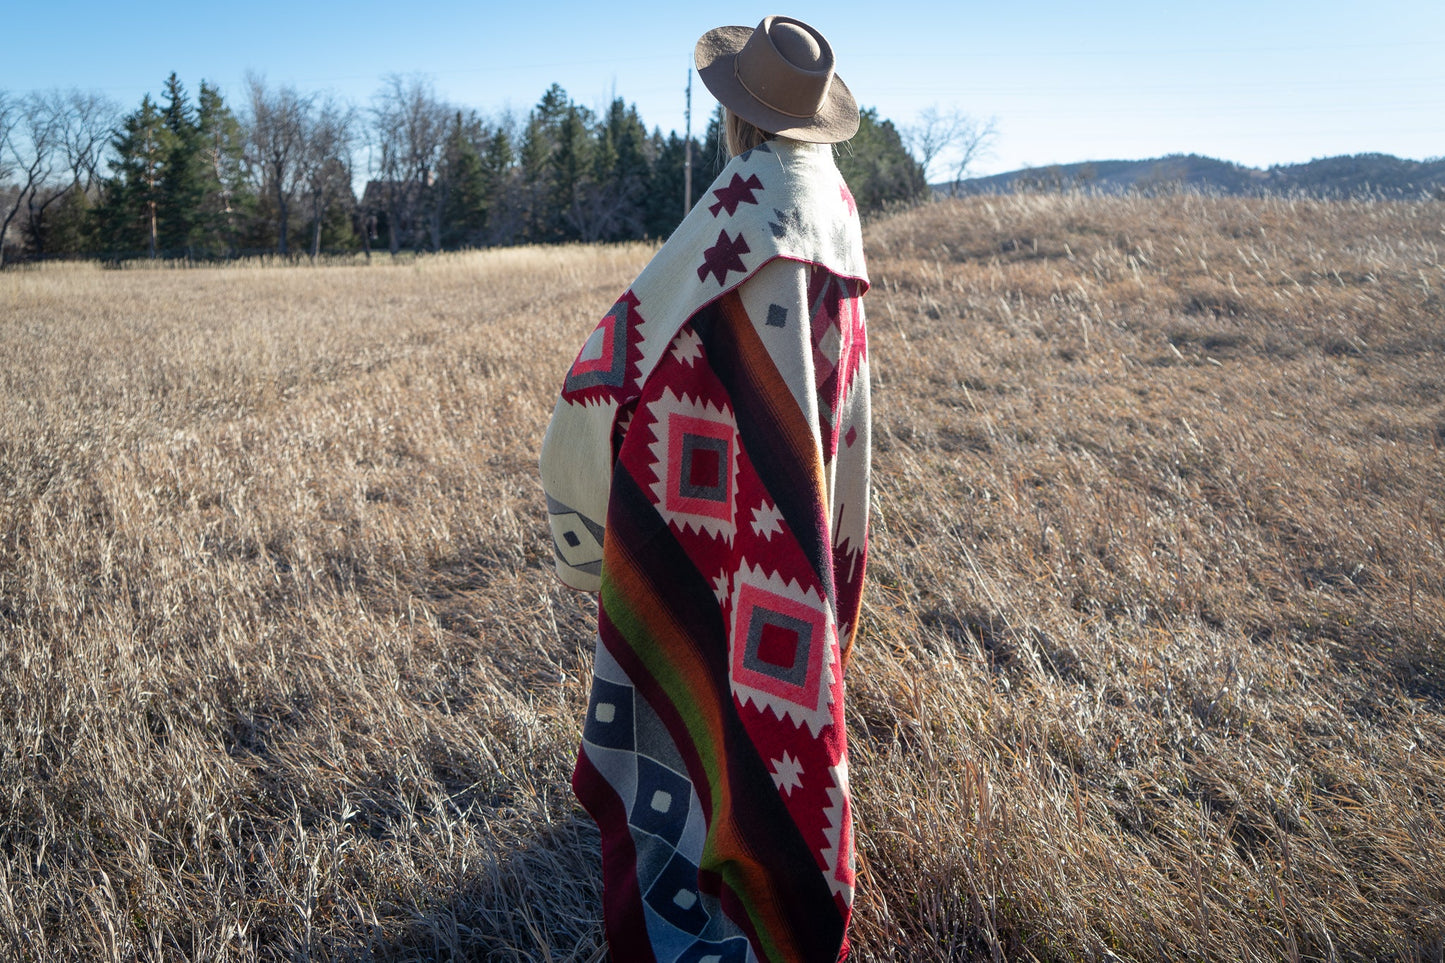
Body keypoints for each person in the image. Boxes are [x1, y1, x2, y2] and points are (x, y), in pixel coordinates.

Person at [539, 15, 871, 962]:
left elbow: (613, 359)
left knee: (705, 681)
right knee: (772, 689)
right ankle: (776, 853)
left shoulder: (742, 200)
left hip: (708, 506)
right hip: (783, 500)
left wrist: (577, 466)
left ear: (736, 112)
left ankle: (703, 878)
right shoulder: (834, 201)